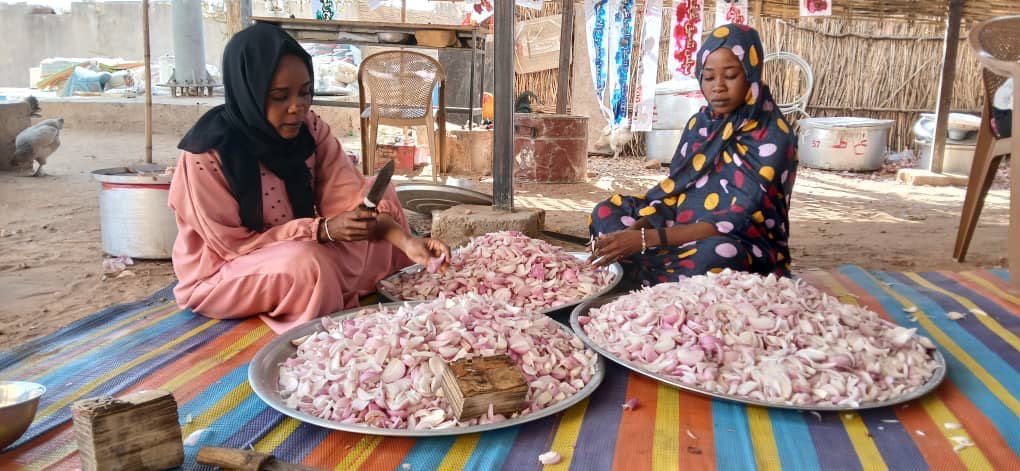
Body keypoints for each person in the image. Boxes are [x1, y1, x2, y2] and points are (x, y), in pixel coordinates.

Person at [168, 23, 449, 333]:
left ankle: (370, 288)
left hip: (299, 243)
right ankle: (323, 333)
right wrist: (321, 230)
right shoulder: (206, 155)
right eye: (279, 96)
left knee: (379, 198)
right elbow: (234, 247)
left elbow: (350, 205)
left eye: (304, 93)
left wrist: (407, 242)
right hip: (227, 269)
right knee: (309, 266)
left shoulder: (309, 130)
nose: (297, 107)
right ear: (249, 92)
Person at [588, 24, 797, 286]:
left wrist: (644, 240)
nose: (718, 87)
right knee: (606, 212)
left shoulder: (773, 135)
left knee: (717, 256)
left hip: (739, 241)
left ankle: (638, 272)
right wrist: (632, 232)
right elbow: (676, 194)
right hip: (678, 228)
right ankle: (649, 271)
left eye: (730, 75)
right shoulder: (700, 125)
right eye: (708, 77)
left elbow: (737, 220)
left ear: (751, 74)